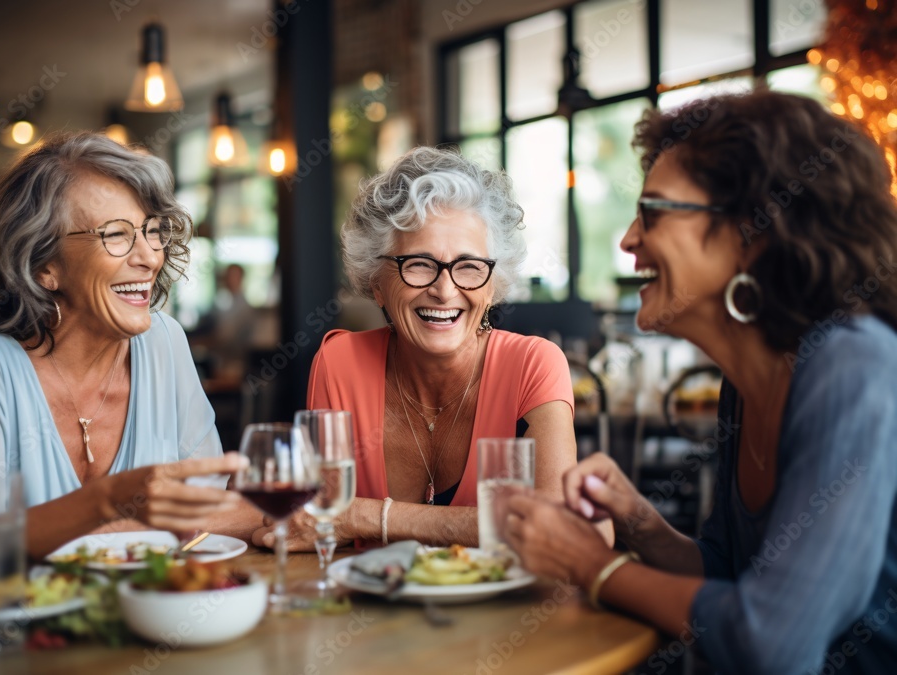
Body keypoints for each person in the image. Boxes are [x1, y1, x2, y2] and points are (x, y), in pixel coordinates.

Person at [503, 91, 897, 673]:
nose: (629, 240)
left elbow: (774, 642)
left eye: (654, 213)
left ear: (752, 233)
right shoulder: (745, 383)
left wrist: (595, 567)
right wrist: (638, 520)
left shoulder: (854, 368)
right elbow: (729, 577)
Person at [254, 146, 611, 551]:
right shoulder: (340, 363)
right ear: (376, 282)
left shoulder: (534, 365)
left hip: (500, 613)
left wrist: (366, 517)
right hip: (370, 608)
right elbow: (311, 527)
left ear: (492, 287)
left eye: (470, 266)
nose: (444, 290)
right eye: (419, 263)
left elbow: (569, 530)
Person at [0, 132, 258, 559]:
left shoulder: (164, 341)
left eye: (152, 231)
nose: (151, 257)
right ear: (44, 264)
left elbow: (204, 512)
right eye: (117, 235)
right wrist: (109, 499)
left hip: (155, 615)